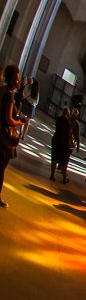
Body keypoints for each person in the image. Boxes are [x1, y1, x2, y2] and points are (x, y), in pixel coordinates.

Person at [0, 64, 25, 208]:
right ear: (9, 80)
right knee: (1, 168)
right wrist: (19, 122)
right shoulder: (9, 95)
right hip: (3, 137)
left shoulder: (1, 90)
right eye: (16, 79)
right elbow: (9, 119)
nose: (18, 81)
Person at [50, 106, 72, 183]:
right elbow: (69, 133)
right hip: (64, 143)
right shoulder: (68, 122)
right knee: (64, 161)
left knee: (54, 159)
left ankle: (52, 175)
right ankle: (64, 179)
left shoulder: (58, 119)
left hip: (56, 139)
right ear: (68, 113)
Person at [16, 76, 38, 140]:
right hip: (32, 107)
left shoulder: (28, 87)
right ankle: (24, 135)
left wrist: (25, 98)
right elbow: (37, 102)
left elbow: (24, 94)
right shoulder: (37, 92)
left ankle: (21, 132)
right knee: (27, 122)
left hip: (26, 104)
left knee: (22, 119)